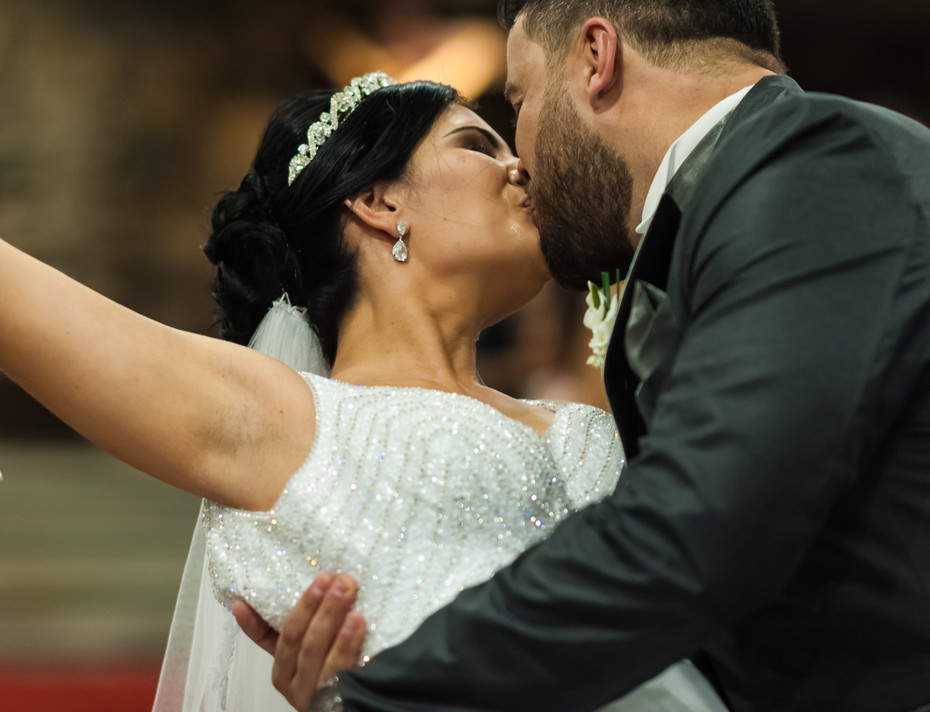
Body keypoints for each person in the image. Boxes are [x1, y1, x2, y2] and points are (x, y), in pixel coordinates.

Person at [249, 0, 930, 711]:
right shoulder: (756, 196)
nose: (522, 158)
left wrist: (381, 700)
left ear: (596, 58)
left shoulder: (814, 167)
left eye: (524, 103)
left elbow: (699, 530)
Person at [0, 74, 727, 712]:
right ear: (377, 200)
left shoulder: (590, 419)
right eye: (480, 145)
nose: (523, 170)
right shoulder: (285, 421)